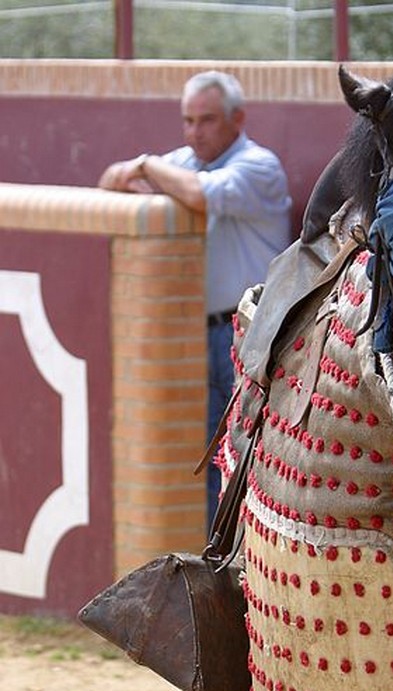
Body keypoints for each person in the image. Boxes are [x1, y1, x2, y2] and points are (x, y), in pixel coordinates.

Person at [98, 70, 292, 527]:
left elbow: (198, 196)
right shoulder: (183, 161)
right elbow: (106, 184)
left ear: (237, 118)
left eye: (205, 120)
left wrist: (146, 167)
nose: (193, 132)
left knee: (245, 460)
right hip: (197, 334)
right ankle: (214, 572)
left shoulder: (258, 165)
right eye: (187, 120)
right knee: (205, 459)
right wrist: (141, 169)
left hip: (248, 334)